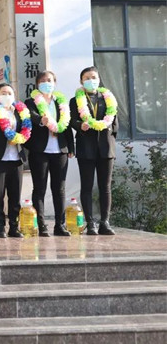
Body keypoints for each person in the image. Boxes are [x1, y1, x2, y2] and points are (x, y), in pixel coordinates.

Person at [25, 70, 75, 237]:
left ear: (55, 83)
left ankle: (60, 225)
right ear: (37, 84)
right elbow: (30, 116)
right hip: (39, 150)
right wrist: (41, 120)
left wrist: (70, 147)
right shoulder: (31, 102)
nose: (47, 83)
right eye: (43, 81)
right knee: (39, 188)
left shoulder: (61, 102)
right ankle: (41, 225)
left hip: (60, 150)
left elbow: (66, 125)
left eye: (50, 80)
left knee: (59, 189)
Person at [70, 66, 118, 235]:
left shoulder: (108, 98)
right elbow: (72, 121)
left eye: (94, 77)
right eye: (87, 78)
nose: (91, 80)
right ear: (81, 81)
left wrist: (110, 138)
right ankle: (90, 223)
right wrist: (80, 126)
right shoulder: (75, 100)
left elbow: (115, 123)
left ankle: (105, 222)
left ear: (98, 79)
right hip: (86, 147)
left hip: (106, 148)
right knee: (87, 186)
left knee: (105, 186)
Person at [0, 83, 31, 238]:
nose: (7, 96)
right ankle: (0, 227)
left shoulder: (20, 111)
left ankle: (14, 227)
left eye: (9, 93)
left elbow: (26, 130)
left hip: (16, 158)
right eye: (3, 93)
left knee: (15, 195)